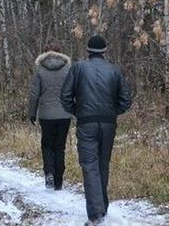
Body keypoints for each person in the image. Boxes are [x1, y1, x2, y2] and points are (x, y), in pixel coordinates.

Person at [60, 35, 132, 226]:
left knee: (90, 166)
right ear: (105, 50)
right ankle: (102, 208)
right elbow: (126, 101)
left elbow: (65, 96)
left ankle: (96, 215)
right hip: (108, 124)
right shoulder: (115, 71)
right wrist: (111, 113)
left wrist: (78, 112)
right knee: (102, 165)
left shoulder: (78, 69)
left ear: (88, 50)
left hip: (86, 124)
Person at [28, 44, 72, 191]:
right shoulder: (67, 69)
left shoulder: (40, 69)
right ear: (60, 53)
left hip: (46, 115)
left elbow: (34, 94)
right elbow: (73, 91)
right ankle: (59, 180)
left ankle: (49, 173)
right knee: (60, 147)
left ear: (46, 53)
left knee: (47, 146)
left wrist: (32, 113)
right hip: (64, 114)